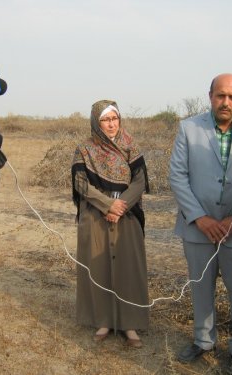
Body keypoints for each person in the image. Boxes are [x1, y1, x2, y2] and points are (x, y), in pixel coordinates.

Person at [169, 73, 232, 374]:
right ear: (210, 95)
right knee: (200, 287)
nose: (225, 102)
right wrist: (200, 218)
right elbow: (177, 176)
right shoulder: (189, 128)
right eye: (220, 95)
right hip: (198, 228)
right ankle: (203, 340)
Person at [71, 99, 150, 348]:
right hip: (96, 215)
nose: (111, 124)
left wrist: (120, 205)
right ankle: (102, 320)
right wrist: (107, 204)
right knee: (98, 268)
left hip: (126, 215)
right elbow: (81, 183)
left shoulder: (130, 145)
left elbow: (140, 181)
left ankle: (129, 324)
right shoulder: (84, 149)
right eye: (105, 119)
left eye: (114, 118)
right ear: (96, 122)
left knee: (129, 270)